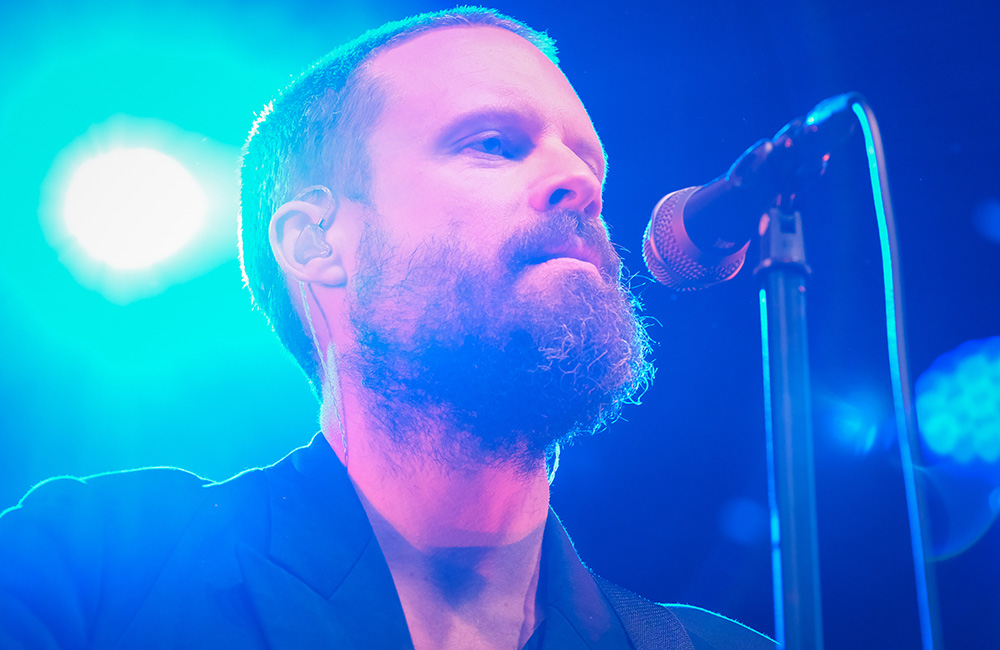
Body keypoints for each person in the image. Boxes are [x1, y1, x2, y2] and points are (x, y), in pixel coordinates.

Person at [0, 8, 775, 649]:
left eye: (590, 166)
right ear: (316, 243)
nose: (579, 183)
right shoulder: (89, 570)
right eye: (494, 144)